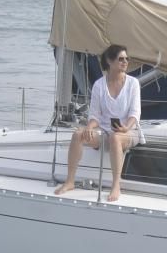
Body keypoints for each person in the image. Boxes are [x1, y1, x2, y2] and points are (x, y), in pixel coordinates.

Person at [53, 44, 141, 202]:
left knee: (116, 137)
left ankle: (116, 185)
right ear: (109, 61)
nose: (125, 62)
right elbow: (95, 116)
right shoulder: (99, 85)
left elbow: (135, 114)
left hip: (129, 131)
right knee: (78, 135)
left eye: (127, 59)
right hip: (105, 131)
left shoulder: (133, 83)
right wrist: (89, 127)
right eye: (121, 59)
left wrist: (125, 128)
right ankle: (70, 181)